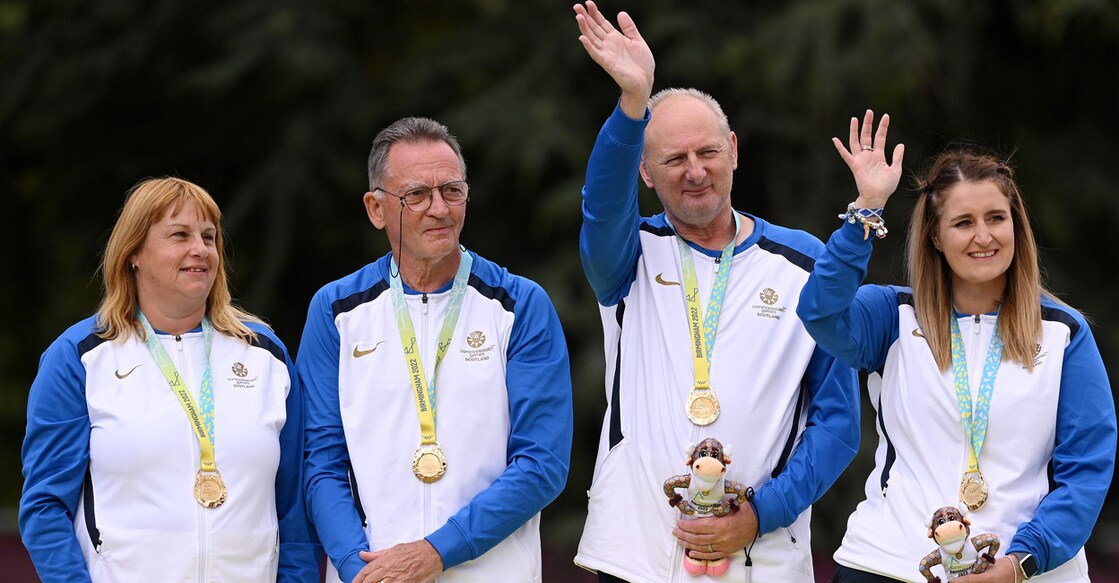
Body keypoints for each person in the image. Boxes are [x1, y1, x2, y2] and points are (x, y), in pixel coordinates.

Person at [571, 3, 861, 581]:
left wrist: (759, 515)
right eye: (673, 159)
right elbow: (602, 210)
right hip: (637, 552)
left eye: (706, 152)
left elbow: (838, 423)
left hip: (764, 554)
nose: (695, 171)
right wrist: (632, 105)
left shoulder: (805, 263)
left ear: (732, 147)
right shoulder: (626, 258)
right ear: (645, 173)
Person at [797, 111, 1116, 582]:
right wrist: (865, 211)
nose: (983, 237)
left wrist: (1020, 564)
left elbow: (1087, 470)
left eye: (995, 218)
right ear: (935, 236)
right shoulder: (892, 316)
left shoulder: (1064, 332)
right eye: (963, 222)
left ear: (1016, 226)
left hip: (1026, 570)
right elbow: (821, 313)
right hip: (890, 565)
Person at [299, 116, 573, 583]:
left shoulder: (520, 304)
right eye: (417, 195)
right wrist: (356, 567)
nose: (439, 209)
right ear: (376, 208)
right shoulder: (335, 310)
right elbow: (321, 463)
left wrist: (434, 553)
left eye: (452, 191)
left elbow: (542, 463)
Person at [19, 177, 321, 582]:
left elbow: (293, 507)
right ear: (134, 253)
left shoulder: (266, 355)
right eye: (179, 235)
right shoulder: (78, 358)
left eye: (209, 237)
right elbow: (44, 507)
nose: (200, 249)